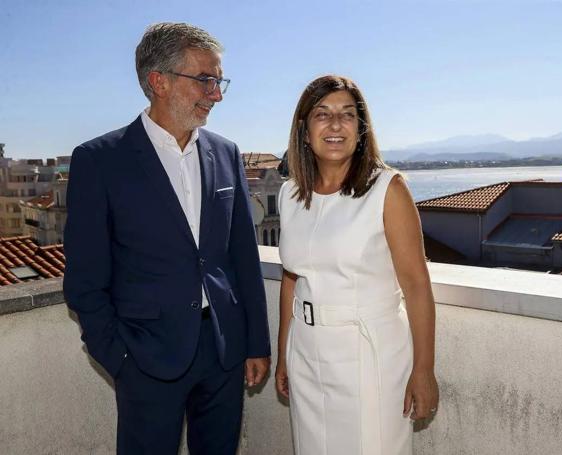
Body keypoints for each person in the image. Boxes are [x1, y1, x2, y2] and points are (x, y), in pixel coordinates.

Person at [63, 23, 270, 455]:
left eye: (219, 81)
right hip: (146, 359)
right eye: (205, 79)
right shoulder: (100, 160)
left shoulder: (226, 152)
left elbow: (242, 258)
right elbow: (84, 279)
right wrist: (120, 359)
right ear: (158, 81)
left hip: (223, 352)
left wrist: (254, 344)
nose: (216, 94)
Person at [274, 75, 439, 454]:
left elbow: (416, 284)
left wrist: (425, 370)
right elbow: (291, 280)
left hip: (369, 355)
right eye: (322, 114)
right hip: (307, 354)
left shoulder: (387, 189)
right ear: (303, 130)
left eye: (347, 115)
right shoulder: (290, 195)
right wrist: (284, 352)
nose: (335, 125)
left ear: (361, 130)